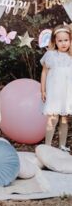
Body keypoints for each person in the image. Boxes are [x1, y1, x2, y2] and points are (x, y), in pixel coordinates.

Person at [40, 24, 72, 152]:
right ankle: (47, 147)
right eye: (60, 40)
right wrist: (43, 90)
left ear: (70, 41)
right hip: (54, 93)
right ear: (55, 41)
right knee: (52, 119)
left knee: (64, 120)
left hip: (67, 93)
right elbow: (44, 73)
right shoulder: (51, 55)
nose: (63, 43)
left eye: (66, 40)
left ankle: (62, 146)